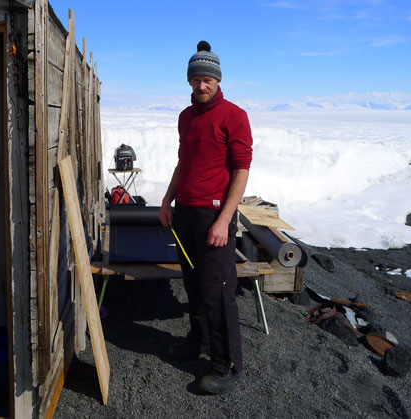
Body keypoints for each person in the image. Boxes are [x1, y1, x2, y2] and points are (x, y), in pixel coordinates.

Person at [159, 40, 253, 394]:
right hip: (185, 213)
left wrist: (224, 220)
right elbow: (184, 162)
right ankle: (197, 339)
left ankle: (225, 363)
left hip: (215, 215)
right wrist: (168, 200)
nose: (200, 86)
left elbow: (241, 170)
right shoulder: (186, 117)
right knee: (194, 284)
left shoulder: (234, 115)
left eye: (207, 80)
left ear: (218, 80)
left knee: (219, 290)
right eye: (195, 79)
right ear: (188, 81)